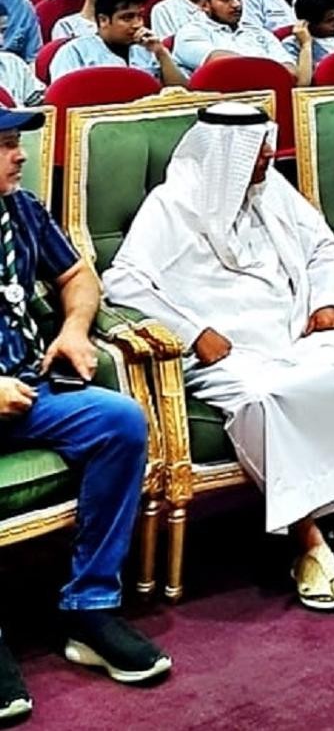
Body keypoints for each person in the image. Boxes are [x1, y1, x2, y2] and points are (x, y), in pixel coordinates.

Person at [102, 103, 334, 613]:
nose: (269, 156)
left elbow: (323, 247)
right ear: (226, 155)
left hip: (292, 334)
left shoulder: (271, 188)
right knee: (267, 399)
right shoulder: (172, 203)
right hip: (226, 355)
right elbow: (123, 281)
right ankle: (306, 541)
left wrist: (328, 300)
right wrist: (193, 333)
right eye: (257, 149)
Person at [0, 106, 173, 714]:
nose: (21, 155)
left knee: (119, 422)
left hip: (29, 387)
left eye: (17, 141)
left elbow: (78, 274)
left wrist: (74, 329)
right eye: (5, 144)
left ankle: (89, 607)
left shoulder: (21, 210)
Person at [173, 0, 311, 85]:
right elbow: (224, 65)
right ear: (204, 5)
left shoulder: (259, 32)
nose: (236, 4)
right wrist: (269, 69)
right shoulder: (190, 33)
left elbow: (291, 73)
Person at [50, 0, 187, 86]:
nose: (137, 24)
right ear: (103, 20)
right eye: (127, 18)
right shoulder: (74, 52)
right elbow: (63, 98)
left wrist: (161, 53)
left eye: (140, 16)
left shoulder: (149, 48)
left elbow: (183, 93)